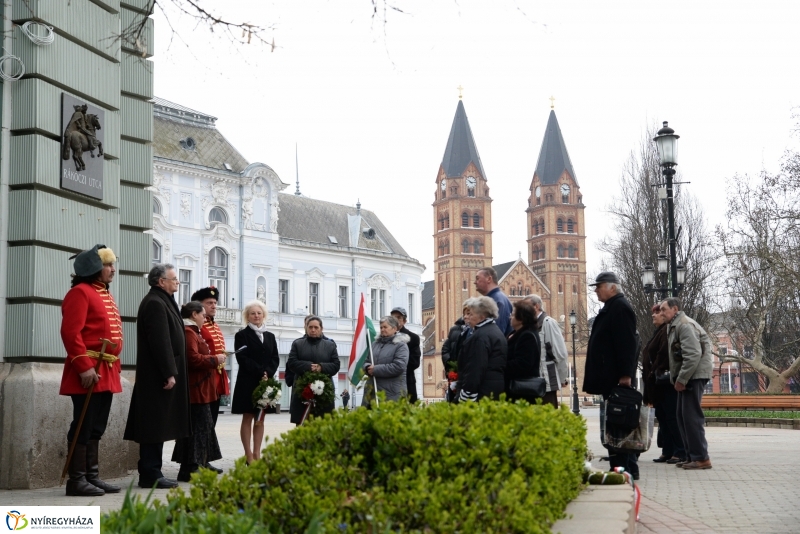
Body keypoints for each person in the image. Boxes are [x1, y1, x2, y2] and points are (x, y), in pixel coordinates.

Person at [59, 245, 123, 497]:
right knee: (83, 424)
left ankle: (92, 476)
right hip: (88, 368)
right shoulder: (80, 293)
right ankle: (76, 480)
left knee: (97, 425)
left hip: (105, 368)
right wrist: (84, 366)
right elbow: (70, 333)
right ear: (94, 268)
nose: (112, 269)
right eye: (108, 265)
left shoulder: (104, 294)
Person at [124, 264, 191, 489]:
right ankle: (150, 473)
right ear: (161, 282)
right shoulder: (154, 302)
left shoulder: (163, 300)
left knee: (159, 425)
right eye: (173, 279)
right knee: (154, 425)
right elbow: (160, 341)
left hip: (162, 375)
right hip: (157, 377)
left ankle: (154, 471)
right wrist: (169, 372)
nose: (177, 282)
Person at [583, 272, 639, 480]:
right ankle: (622, 464)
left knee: (618, 421)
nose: (596, 290)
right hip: (609, 375)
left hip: (615, 377)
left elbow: (627, 344)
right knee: (614, 422)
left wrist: (626, 374)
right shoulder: (612, 307)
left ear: (612, 287)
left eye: (599, 286)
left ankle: (625, 467)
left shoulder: (620, 308)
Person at [661, 298, 714, 470]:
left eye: (664, 309)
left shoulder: (684, 325)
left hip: (694, 375)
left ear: (674, 309)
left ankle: (701, 458)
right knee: (682, 417)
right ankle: (692, 456)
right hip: (690, 375)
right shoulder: (675, 325)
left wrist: (682, 379)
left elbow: (692, 355)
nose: (661, 313)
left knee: (691, 417)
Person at [172, 302, 222, 482]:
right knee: (197, 429)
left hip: (201, 389)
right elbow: (192, 359)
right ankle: (191, 468)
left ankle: (198, 463)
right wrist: (214, 359)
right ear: (194, 315)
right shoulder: (189, 332)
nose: (204, 318)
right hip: (195, 390)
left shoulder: (193, 332)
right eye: (202, 314)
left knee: (203, 428)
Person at [231, 300, 280, 464]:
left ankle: (258, 453)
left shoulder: (270, 336)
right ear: (247, 316)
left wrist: (268, 373)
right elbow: (242, 358)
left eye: (259, 313)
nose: (256, 316)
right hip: (248, 382)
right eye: (253, 313)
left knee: (260, 419)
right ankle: (248, 454)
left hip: (265, 383)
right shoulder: (241, 335)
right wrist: (260, 372)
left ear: (263, 315)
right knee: (248, 417)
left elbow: (275, 358)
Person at [191, 287, 229, 474]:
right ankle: (197, 460)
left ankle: (205, 459)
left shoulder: (214, 325)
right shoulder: (198, 326)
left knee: (211, 421)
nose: (214, 306)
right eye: (209, 303)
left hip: (217, 378)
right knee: (203, 421)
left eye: (215, 303)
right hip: (205, 378)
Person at [642, 303, 686, 465]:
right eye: (654, 312)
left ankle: (679, 451)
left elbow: (665, 356)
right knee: (663, 418)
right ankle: (667, 451)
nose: (654, 315)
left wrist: (655, 371)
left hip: (666, 382)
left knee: (671, 417)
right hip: (658, 384)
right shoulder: (658, 332)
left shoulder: (667, 331)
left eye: (658, 312)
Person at [286, 316, 340, 425]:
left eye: (316, 327)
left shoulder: (330, 345)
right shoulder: (297, 344)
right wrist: (309, 366)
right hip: (302, 391)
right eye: (310, 327)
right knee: (302, 426)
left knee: (323, 426)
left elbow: (336, 365)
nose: (313, 330)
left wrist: (321, 367)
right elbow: (291, 363)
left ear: (321, 328)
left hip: (324, 392)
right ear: (306, 328)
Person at [457, 297, 507, 402]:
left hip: (482, 391)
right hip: (494, 388)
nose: (467, 317)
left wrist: (466, 394)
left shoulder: (480, 336)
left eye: (471, 314)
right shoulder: (495, 331)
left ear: (482, 316)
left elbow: (476, 368)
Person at [524, 294, 569, 408]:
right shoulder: (528, 325)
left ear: (536, 306)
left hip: (546, 383)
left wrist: (562, 378)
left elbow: (560, 353)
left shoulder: (548, 323)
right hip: (531, 383)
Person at [362, 315, 410, 406]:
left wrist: (375, 370)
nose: (382, 329)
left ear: (394, 328)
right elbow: (366, 361)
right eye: (381, 327)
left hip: (391, 394)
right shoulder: (375, 344)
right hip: (372, 393)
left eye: (385, 327)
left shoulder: (401, 346)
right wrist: (367, 367)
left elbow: (399, 366)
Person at [504, 300, 542, 403]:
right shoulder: (516, 332)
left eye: (512, 315)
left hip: (521, 391)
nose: (510, 317)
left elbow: (523, 364)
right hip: (513, 388)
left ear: (521, 319)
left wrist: (500, 365)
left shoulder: (527, 335)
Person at [390, 307, 421, 403]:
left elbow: (415, 362)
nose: (395, 320)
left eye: (398, 317)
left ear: (404, 321)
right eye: (393, 317)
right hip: (388, 384)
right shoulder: (385, 337)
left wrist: (395, 367)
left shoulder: (413, 338)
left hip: (406, 382)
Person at [474, 268, 513, 336]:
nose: (474, 282)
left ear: (489, 279)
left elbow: (497, 332)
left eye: (477, 278)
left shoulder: (497, 301)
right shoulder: (495, 298)